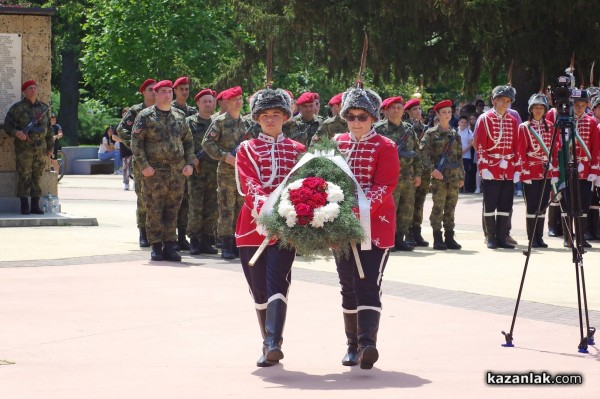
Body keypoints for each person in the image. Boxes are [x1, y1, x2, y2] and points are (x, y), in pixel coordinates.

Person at [235, 88, 305, 367]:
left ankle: (273, 342)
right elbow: (247, 184)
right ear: (257, 118)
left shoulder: (299, 150)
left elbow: (304, 186)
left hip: (285, 228)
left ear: (286, 117)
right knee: (258, 288)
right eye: (265, 115)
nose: (270, 119)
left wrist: (285, 215)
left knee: (279, 281)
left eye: (276, 114)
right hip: (251, 226)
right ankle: (267, 342)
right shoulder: (246, 149)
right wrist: (268, 210)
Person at [333, 86, 399, 370]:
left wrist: (355, 212)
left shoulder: (386, 146)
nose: (356, 121)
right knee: (348, 285)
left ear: (373, 118)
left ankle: (368, 343)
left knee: (368, 284)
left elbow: (384, 186)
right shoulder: (336, 144)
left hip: (376, 227)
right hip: (340, 228)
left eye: (362, 116)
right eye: (351, 116)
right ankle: (352, 346)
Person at [131, 80, 194, 262]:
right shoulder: (145, 116)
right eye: (163, 92)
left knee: (172, 210)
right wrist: (144, 166)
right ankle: (156, 246)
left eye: (169, 91)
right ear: (156, 94)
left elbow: (188, 141)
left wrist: (189, 163)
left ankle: (170, 246)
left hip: (176, 172)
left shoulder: (180, 116)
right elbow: (137, 143)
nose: (167, 95)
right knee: (154, 209)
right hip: (155, 172)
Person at [202, 86, 250, 259]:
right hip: (226, 172)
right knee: (226, 209)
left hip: (243, 172)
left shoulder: (247, 123)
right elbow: (207, 143)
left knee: (241, 208)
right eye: (235, 99)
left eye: (241, 98)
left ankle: (239, 243)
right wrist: (224, 156)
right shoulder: (220, 121)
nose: (239, 102)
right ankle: (226, 245)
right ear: (227, 102)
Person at [475, 86, 521, 249]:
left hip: (508, 168)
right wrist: (484, 167)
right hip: (492, 167)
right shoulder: (484, 119)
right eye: (502, 100)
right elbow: (480, 144)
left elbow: (516, 146)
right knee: (490, 203)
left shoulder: (512, 120)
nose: (504, 104)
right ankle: (491, 236)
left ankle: (502, 236)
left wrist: (517, 169)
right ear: (494, 100)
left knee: (505, 204)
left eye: (508, 101)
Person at [374, 96, 422, 251]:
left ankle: (400, 238)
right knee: (388, 209)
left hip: (407, 177)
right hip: (388, 178)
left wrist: (418, 174)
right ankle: (388, 239)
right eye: (392, 108)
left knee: (406, 209)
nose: (396, 111)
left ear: (403, 111)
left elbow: (416, 153)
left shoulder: (409, 129)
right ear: (386, 110)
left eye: (399, 108)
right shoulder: (379, 129)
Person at [4, 80, 53, 215]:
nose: (33, 90)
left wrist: (50, 148)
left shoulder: (43, 108)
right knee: (24, 175)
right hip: (24, 149)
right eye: (29, 88)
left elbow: (49, 130)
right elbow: (7, 125)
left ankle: (35, 205)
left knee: (37, 176)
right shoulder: (17, 108)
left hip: (40, 149)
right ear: (24, 92)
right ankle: (24, 206)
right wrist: (17, 133)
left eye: (34, 88)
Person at [117, 78, 156, 247]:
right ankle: (144, 232)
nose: (154, 92)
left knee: (163, 197)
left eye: (156, 89)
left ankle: (161, 233)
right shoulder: (136, 111)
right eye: (150, 89)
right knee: (143, 196)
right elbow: (121, 129)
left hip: (162, 161)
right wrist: (135, 144)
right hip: (142, 161)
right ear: (143, 92)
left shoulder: (163, 109)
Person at [421, 100, 464, 250]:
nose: (447, 115)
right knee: (438, 207)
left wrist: (461, 176)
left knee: (451, 207)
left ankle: (450, 236)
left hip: (453, 176)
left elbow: (459, 157)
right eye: (444, 112)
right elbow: (423, 155)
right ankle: (437, 237)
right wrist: (432, 170)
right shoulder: (431, 134)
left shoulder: (455, 134)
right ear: (438, 114)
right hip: (439, 176)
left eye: (449, 112)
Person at [560, 91, 600, 248]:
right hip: (568, 169)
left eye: (583, 105)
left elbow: (596, 149)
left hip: (585, 170)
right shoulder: (564, 121)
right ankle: (568, 236)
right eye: (577, 105)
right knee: (568, 203)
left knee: (583, 204)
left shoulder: (591, 123)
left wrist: (594, 171)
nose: (580, 108)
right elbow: (559, 146)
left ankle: (581, 237)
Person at [518, 93, 558, 248]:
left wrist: (554, 173)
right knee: (532, 206)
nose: (539, 110)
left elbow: (554, 151)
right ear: (531, 109)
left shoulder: (551, 126)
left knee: (542, 206)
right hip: (532, 172)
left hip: (546, 172)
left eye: (541, 108)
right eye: (536, 108)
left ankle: (539, 237)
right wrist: (525, 173)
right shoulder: (524, 127)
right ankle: (532, 238)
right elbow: (521, 152)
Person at [186, 89, 219, 255]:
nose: (208, 104)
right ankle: (194, 240)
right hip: (197, 171)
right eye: (205, 101)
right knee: (196, 206)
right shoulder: (189, 122)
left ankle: (207, 239)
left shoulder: (218, 122)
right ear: (198, 103)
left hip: (214, 170)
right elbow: (182, 142)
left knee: (212, 207)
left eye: (211, 101)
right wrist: (190, 157)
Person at [172, 77, 197, 251]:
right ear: (175, 90)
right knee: (173, 201)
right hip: (173, 162)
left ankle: (182, 236)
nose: (185, 92)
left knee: (186, 201)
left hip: (188, 162)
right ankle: (169, 237)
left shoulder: (192, 111)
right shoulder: (169, 110)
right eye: (181, 89)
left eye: (187, 89)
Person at [404, 98, 430, 247]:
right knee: (408, 204)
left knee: (419, 203)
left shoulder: (427, 129)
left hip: (424, 171)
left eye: (419, 109)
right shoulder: (406, 129)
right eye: (415, 109)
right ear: (407, 112)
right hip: (409, 171)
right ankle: (407, 233)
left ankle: (417, 232)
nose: (418, 112)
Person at [113, 108, 133, 190]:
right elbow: (114, 137)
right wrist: (125, 140)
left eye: (127, 113)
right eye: (124, 113)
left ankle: (136, 182)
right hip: (124, 150)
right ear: (122, 114)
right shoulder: (119, 125)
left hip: (134, 149)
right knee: (125, 167)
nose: (126, 115)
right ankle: (126, 183)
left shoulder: (134, 124)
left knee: (135, 167)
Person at [457, 115, 473, 193]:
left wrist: (463, 151)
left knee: (466, 172)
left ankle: (465, 188)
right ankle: (457, 188)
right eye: (462, 122)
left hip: (466, 156)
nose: (463, 124)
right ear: (458, 123)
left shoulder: (469, 132)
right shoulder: (455, 131)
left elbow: (471, 144)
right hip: (456, 156)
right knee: (457, 171)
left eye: (465, 122)